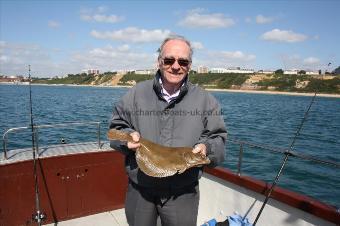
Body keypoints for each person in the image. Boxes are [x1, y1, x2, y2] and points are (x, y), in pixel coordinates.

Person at [109, 34, 227, 226]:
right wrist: (126, 139)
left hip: (182, 194)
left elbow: (218, 138)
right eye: (169, 60)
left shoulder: (207, 101)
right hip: (141, 189)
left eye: (183, 61)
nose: (175, 66)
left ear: (190, 65)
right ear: (159, 62)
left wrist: (206, 147)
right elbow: (116, 127)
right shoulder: (136, 93)